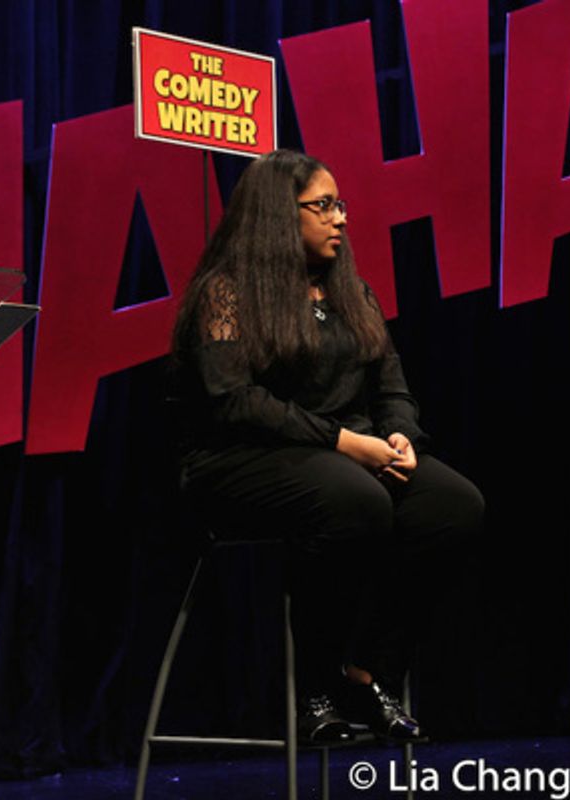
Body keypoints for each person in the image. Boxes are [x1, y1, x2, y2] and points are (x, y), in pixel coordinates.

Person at [170, 149, 484, 744]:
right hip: (243, 459)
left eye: (340, 205)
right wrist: (343, 442)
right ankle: (314, 689)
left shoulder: (352, 293)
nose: (340, 218)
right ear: (278, 215)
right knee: (353, 499)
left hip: (346, 455)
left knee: (451, 505)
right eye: (323, 206)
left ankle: (368, 670)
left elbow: (392, 387)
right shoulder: (227, 294)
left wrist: (400, 435)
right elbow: (237, 402)